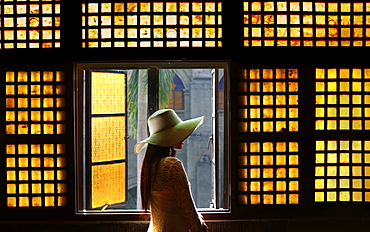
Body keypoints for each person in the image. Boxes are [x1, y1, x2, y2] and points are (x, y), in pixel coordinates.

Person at [134, 109, 209, 232]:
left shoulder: (151, 165)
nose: (182, 137)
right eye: (178, 133)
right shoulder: (171, 165)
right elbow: (187, 207)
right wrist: (199, 228)